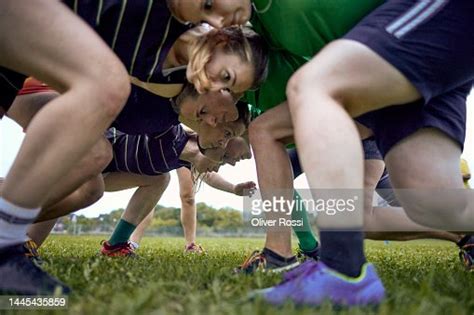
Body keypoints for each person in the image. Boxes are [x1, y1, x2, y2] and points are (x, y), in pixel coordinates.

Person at [250, 0, 473, 306]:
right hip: (397, 64)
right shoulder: (262, 26)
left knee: (312, 86)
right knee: (433, 203)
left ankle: (342, 270)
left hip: (423, 20)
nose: (216, 19)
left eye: (209, 4)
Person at [0, 0, 131, 295]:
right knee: (95, 151)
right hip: (43, 77)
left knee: (91, 188)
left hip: (46, 69)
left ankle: (16, 244)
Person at [129, 137, 255, 254]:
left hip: (179, 154)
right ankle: (132, 242)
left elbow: (208, 174)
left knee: (188, 196)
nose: (216, 169)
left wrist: (233, 188)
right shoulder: (173, 138)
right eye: (224, 158)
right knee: (153, 189)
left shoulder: (195, 155)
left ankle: (190, 245)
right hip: (149, 153)